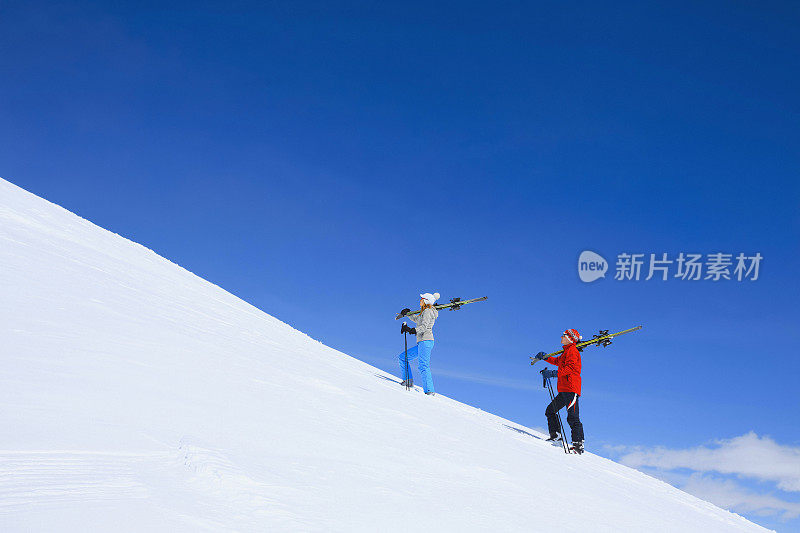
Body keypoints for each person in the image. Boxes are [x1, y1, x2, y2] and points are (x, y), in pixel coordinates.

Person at [534, 329, 585, 454]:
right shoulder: (566, 352)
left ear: (571, 338)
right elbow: (558, 362)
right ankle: (556, 436)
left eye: (564, 335)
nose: (561, 337)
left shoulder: (573, 351)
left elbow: (570, 369)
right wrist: (546, 357)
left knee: (572, 417)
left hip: (571, 389)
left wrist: (552, 373)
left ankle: (578, 445)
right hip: (563, 390)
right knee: (550, 411)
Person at [397, 292, 440, 396]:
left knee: (423, 366)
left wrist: (412, 330)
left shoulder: (428, 311)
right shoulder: (424, 312)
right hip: (422, 342)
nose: (420, 300)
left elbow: (424, 327)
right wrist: (409, 313)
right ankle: (408, 381)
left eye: (421, 299)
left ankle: (429, 391)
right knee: (403, 357)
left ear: (425, 301)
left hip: (426, 341)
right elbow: (417, 319)